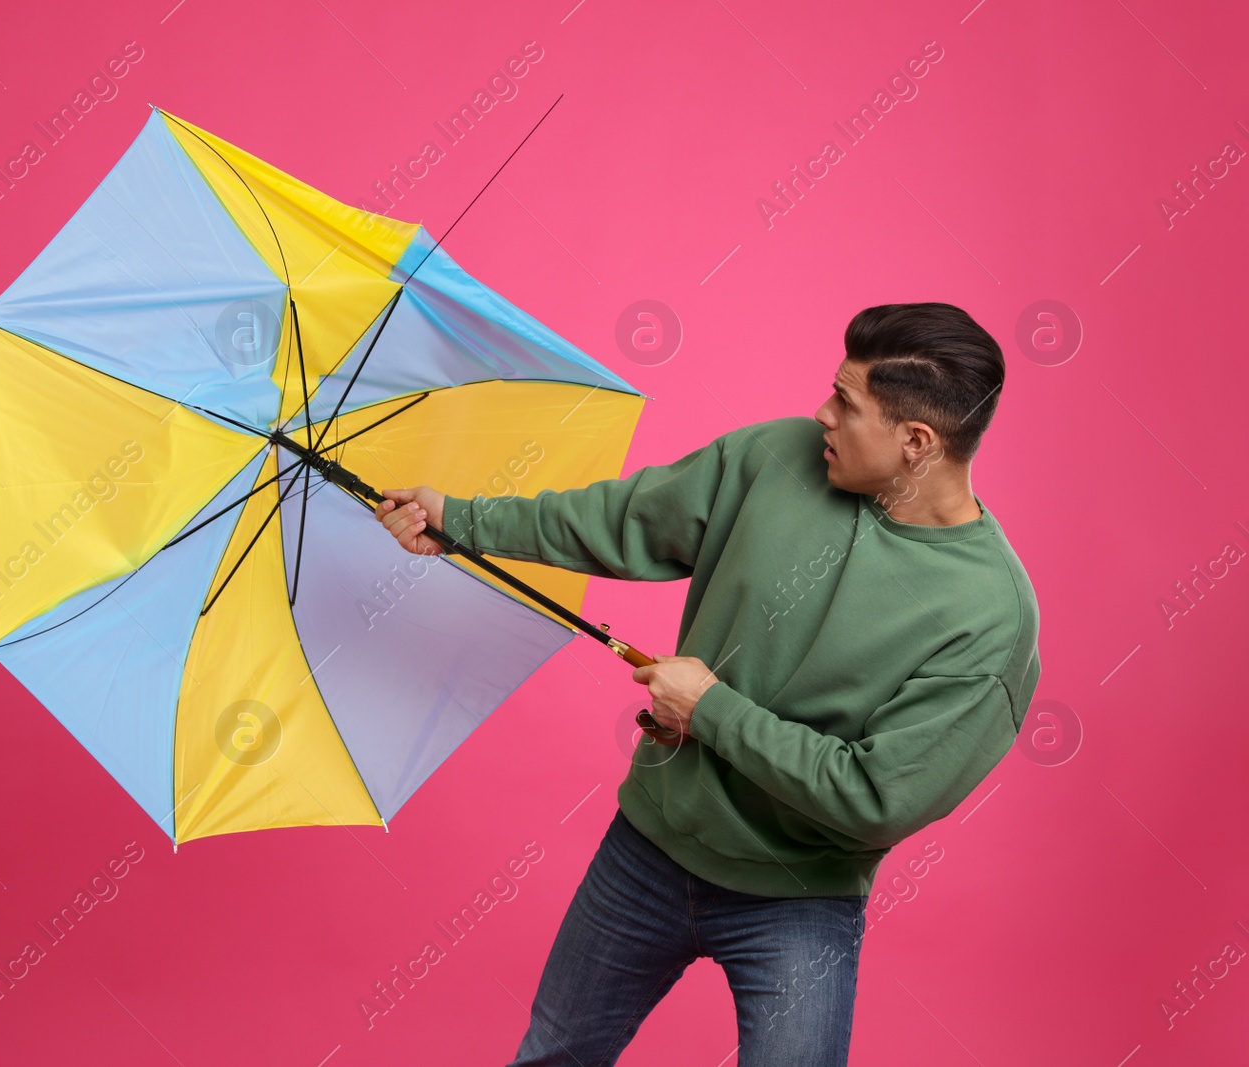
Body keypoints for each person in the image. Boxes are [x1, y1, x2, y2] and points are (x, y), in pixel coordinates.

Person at [372, 302, 1041, 1066]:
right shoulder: (778, 457)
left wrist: (711, 710)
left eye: (847, 404)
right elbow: (621, 519)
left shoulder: (991, 619)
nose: (821, 413)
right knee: (553, 1055)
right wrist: (460, 520)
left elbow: (875, 799)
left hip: (800, 900)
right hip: (648, 848)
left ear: (916, 442)